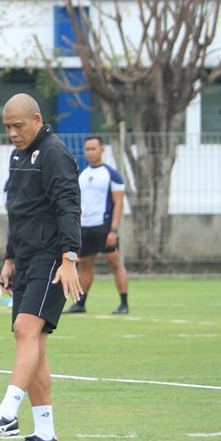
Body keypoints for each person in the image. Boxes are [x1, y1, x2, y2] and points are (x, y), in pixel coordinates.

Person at [0, 93, 81, 441]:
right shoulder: (18, 155)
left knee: (25, 329)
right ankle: (45, 436)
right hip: (28, 258)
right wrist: (10, 257)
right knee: (35, 347)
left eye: (18, 126)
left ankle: (6, 414)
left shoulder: (55, 154)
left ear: (36, 120)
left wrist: (69, 258)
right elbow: (18, 210)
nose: (12, 133)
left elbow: (68, 207)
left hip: (52, 258)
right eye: (7, 127)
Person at [65, 135, 130, 315]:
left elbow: (119, 203)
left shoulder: (112, 175)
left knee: (115, 262)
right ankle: (80, 304)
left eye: (93, 149)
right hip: (85, 227)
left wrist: (113, 229)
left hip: (104, 226)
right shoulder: (83, 175)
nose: (90, 152)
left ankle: (124, 303)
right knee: (85, 264)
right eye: (87, 149)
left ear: (102, 150)